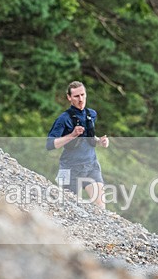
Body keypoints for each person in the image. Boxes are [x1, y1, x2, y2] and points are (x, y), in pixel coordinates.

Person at [46, 80, 110, 208]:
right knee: (70, 208)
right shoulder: (63, 119)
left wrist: (100, 141)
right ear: (69, 98)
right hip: (70, 168)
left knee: (101, 209)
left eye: (83, 95)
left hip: (91, 165)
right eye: (76, 96)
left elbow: (89, 137)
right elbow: (50, 145)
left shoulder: (91, 114)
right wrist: (72, 135)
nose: (80, 99)